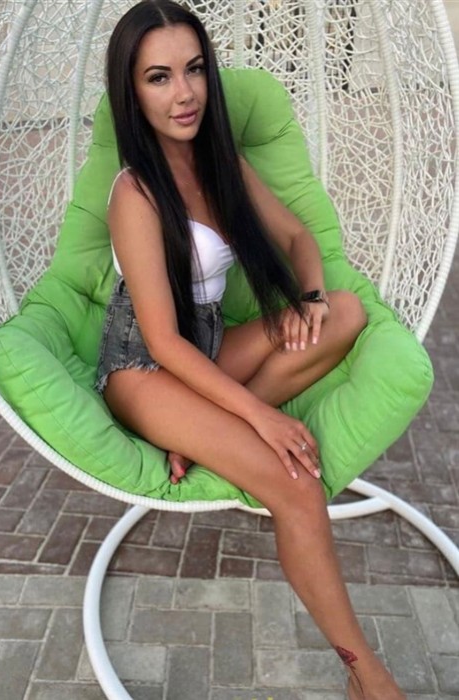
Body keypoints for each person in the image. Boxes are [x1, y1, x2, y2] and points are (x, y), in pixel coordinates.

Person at [96, 2, 406, 698]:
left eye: (194, 69)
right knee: (296, 486)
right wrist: (262, 419)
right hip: (144, 365)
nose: (184, 93)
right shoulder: (134, 194)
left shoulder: (220, 164)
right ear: (131, 92)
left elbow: (297, 238)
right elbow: (162, 341)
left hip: (205, 347)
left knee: (346, 313)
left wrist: (311, 297)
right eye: (158, 77)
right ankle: (368, 676)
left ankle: (202, 437)